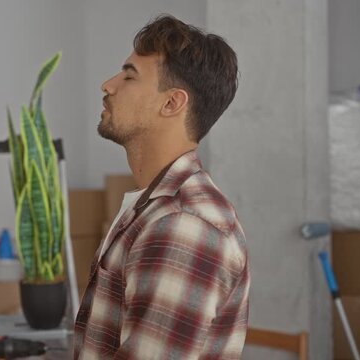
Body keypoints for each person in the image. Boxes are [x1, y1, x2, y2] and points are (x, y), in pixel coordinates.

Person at [74, 14, 250, 359]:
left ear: (171, 103)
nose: (108, 85)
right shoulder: (156, 206)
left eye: (129, 75)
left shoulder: (184, 225)